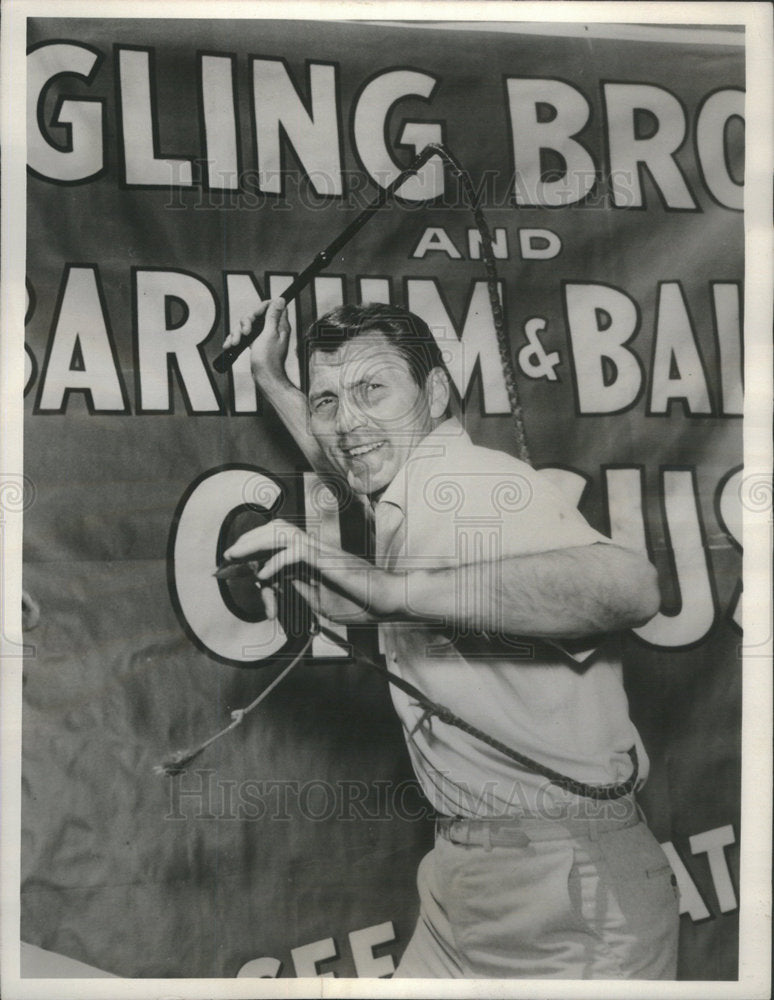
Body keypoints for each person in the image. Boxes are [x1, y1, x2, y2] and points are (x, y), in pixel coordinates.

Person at [220, 298, 680, 979]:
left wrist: (388, 593)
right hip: (465, 877)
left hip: (572, 896)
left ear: (435, 394)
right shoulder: (412, 481)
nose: (348, 421)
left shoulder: (474, 487)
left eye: (373, 389)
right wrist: (269, 373)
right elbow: (349, 450)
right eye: (328, 400)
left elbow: (633, 588)